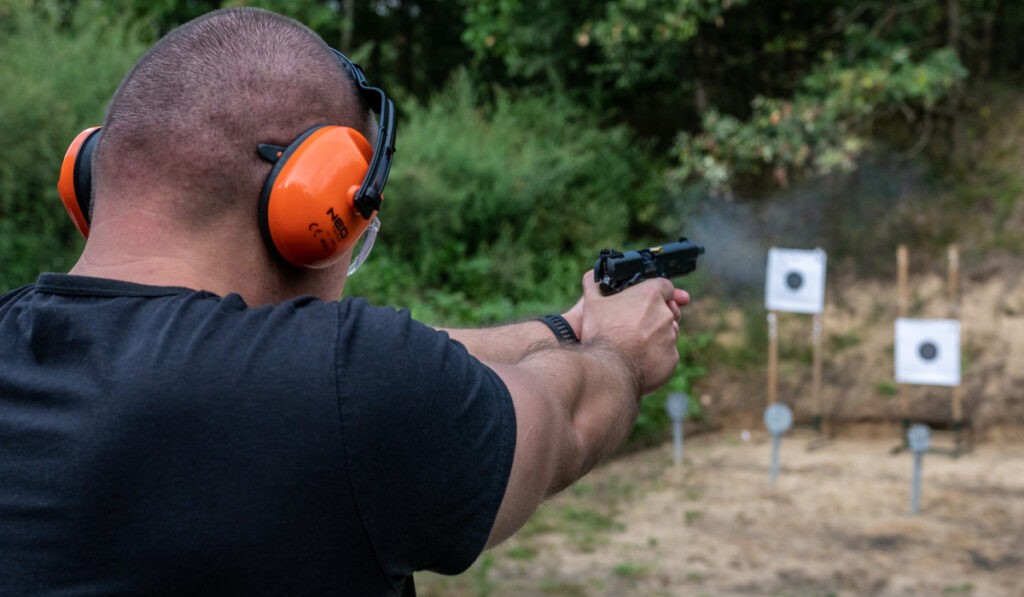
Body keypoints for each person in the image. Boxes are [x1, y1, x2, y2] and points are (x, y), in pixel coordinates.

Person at [0, 7, 690, 596]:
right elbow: (566, 421)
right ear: (314, 199)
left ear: (92, 174)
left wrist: (565, 329)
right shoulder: (342, 390)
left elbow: (373, 364)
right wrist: (621, 350)